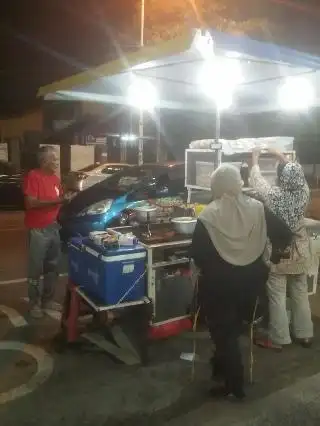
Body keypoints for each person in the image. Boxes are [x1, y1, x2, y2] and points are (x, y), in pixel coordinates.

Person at [191, 164, 270, 400]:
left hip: (220, 287)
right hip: (252, 287)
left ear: (216, 186)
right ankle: (221, 370)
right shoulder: (258, 208)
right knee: (232, 331)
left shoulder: (209, 215)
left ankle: (234, 387)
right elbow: (284, 234)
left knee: (224, 334)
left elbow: (198, 253)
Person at [250, 148, 313, 350]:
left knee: (277, 295)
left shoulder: (273, 195)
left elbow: (255, 179)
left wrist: (255, 157)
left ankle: (280, 338)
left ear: (280, 178)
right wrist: (281, 155)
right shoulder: (304, 192)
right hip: (301, 251)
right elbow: (294, 173)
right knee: (300, 292)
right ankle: (305, 335)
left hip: (279, 253)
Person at [23, 146, 65, 319]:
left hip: (53, 228)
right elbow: (31, 203)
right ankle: (34, 304)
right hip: (38, 230)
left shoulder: (55, 179)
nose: (57, 162)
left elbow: (59, 201)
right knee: (35, 270)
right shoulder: (33, 176)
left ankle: (48, 300)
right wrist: (58, 200)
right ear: (44, 161)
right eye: (53, 159)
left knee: (52, 268)